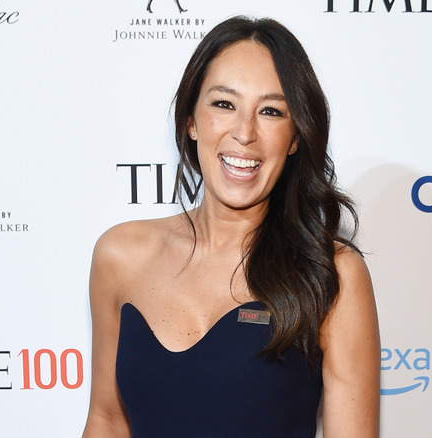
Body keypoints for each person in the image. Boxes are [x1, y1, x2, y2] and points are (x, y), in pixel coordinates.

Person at [82, 16, 380, 437]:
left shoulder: (331, 273)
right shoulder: (120, 255)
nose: (245, 133)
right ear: (190, 120)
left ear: (295, 138)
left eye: (272, 111)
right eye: (224, 104)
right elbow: (107, 419)